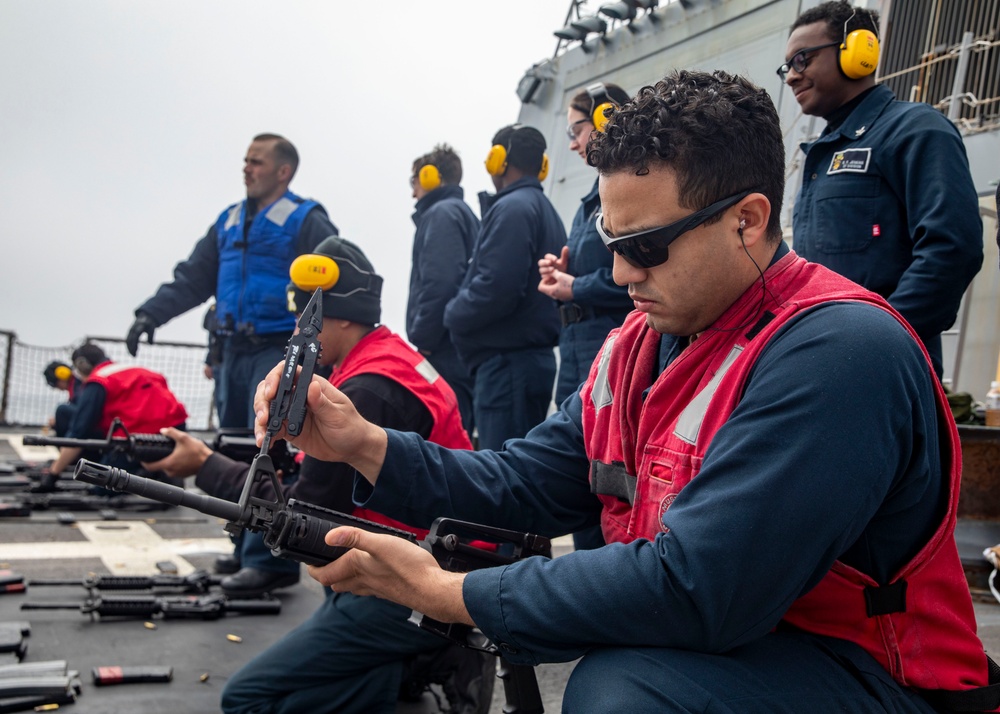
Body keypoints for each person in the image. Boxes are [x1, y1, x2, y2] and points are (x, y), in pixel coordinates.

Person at [257, 70, 999, 712]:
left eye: (644, 247)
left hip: (876, 676)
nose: (619, 276)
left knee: (623, 691)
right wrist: (361, 443)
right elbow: (521, 482)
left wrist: (452, 593)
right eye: (612, 246)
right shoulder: (635, 349)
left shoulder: (840, 354)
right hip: (755, 649)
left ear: (748, 219)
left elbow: (701, 589)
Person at [145, 236, 495, 714]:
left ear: (344, 314)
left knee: (246, 699)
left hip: (412, 584)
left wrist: (202, 465)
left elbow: (297, 515)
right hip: (438, 562)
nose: (296, 329)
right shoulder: (388, 359)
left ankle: (423, 657)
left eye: (306, 315)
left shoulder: (369, 390)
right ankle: (411, 669)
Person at [781, 0, 983, 378]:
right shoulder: (823, 155)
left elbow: (953, 250)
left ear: (858, 52)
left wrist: (877, 340)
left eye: (802, 59)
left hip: (885, 370)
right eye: (787, 66)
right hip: (822, 362)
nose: (791, 76)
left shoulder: (917, 130)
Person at [125, 133, 338, 428]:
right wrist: (149, 315)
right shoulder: (228, 221)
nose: (246, 169)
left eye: (256, 162)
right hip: (229, 354)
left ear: (283, 172)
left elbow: (333, 282)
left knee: (266, 434)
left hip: (278, 351)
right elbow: (193, 277)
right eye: (245, 161)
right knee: (231, 440)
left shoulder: (306, 219)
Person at [538, 81, 635, 551]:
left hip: (606, 343)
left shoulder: (634, 186)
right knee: (581, 466)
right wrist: (563, 273)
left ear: (604, 119)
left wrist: (577, 285)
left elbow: (637, 273)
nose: (573, 142)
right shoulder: (589, 202)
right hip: (580, 350)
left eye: (577, 129)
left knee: (608, 471)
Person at [444, 124, 566, 451]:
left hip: (507, 370)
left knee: (501, 479)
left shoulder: (513, 208)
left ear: (498, 160)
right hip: (522, 367)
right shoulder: (542, 208)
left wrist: (452, 314)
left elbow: (496, 288)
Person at [407, 144, 479, 438]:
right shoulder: (460, 212)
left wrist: (424, 339)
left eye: (413, 181)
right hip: (456, 347)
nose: (412, 193)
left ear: (428, 177)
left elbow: (441, 283)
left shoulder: (441, 214)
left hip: (443, 349)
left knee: (443, 442)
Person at [47, 343, 187, 476]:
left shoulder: (98, 382)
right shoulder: (139, 371)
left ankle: (144, 472)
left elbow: (79, 432)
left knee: (103, 485)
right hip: (174, 433)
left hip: (136, 439)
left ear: (82, 365)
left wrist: (54, 472)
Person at [42, 360, 82, 437]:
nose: (58, 388)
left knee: (62, 410)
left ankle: (65, 444)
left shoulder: (77, 387)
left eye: (55, 384)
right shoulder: (75, 384)